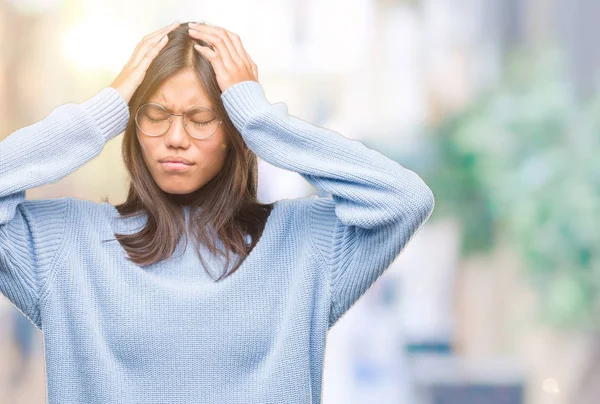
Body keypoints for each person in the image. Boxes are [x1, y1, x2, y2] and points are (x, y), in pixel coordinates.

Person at [0, 20, 435, 403]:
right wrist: (101, 112)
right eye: (155, 114)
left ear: (234, 132)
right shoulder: (64, 244)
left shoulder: (306, 245)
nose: (175, 137)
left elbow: (404, 199)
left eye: (201, 118)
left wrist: (262, 120)